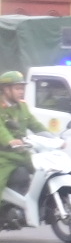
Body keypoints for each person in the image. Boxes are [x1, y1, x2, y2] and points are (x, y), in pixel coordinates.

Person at [0, 70, 34, 199]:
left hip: (22, 153)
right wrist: (10, 140)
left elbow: (34, 124)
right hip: (4, 156)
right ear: (6, 90)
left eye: (22, 88)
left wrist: (52, 138)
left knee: (45, 174)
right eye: (17, 88)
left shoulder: (22, 106)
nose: (21, 92)